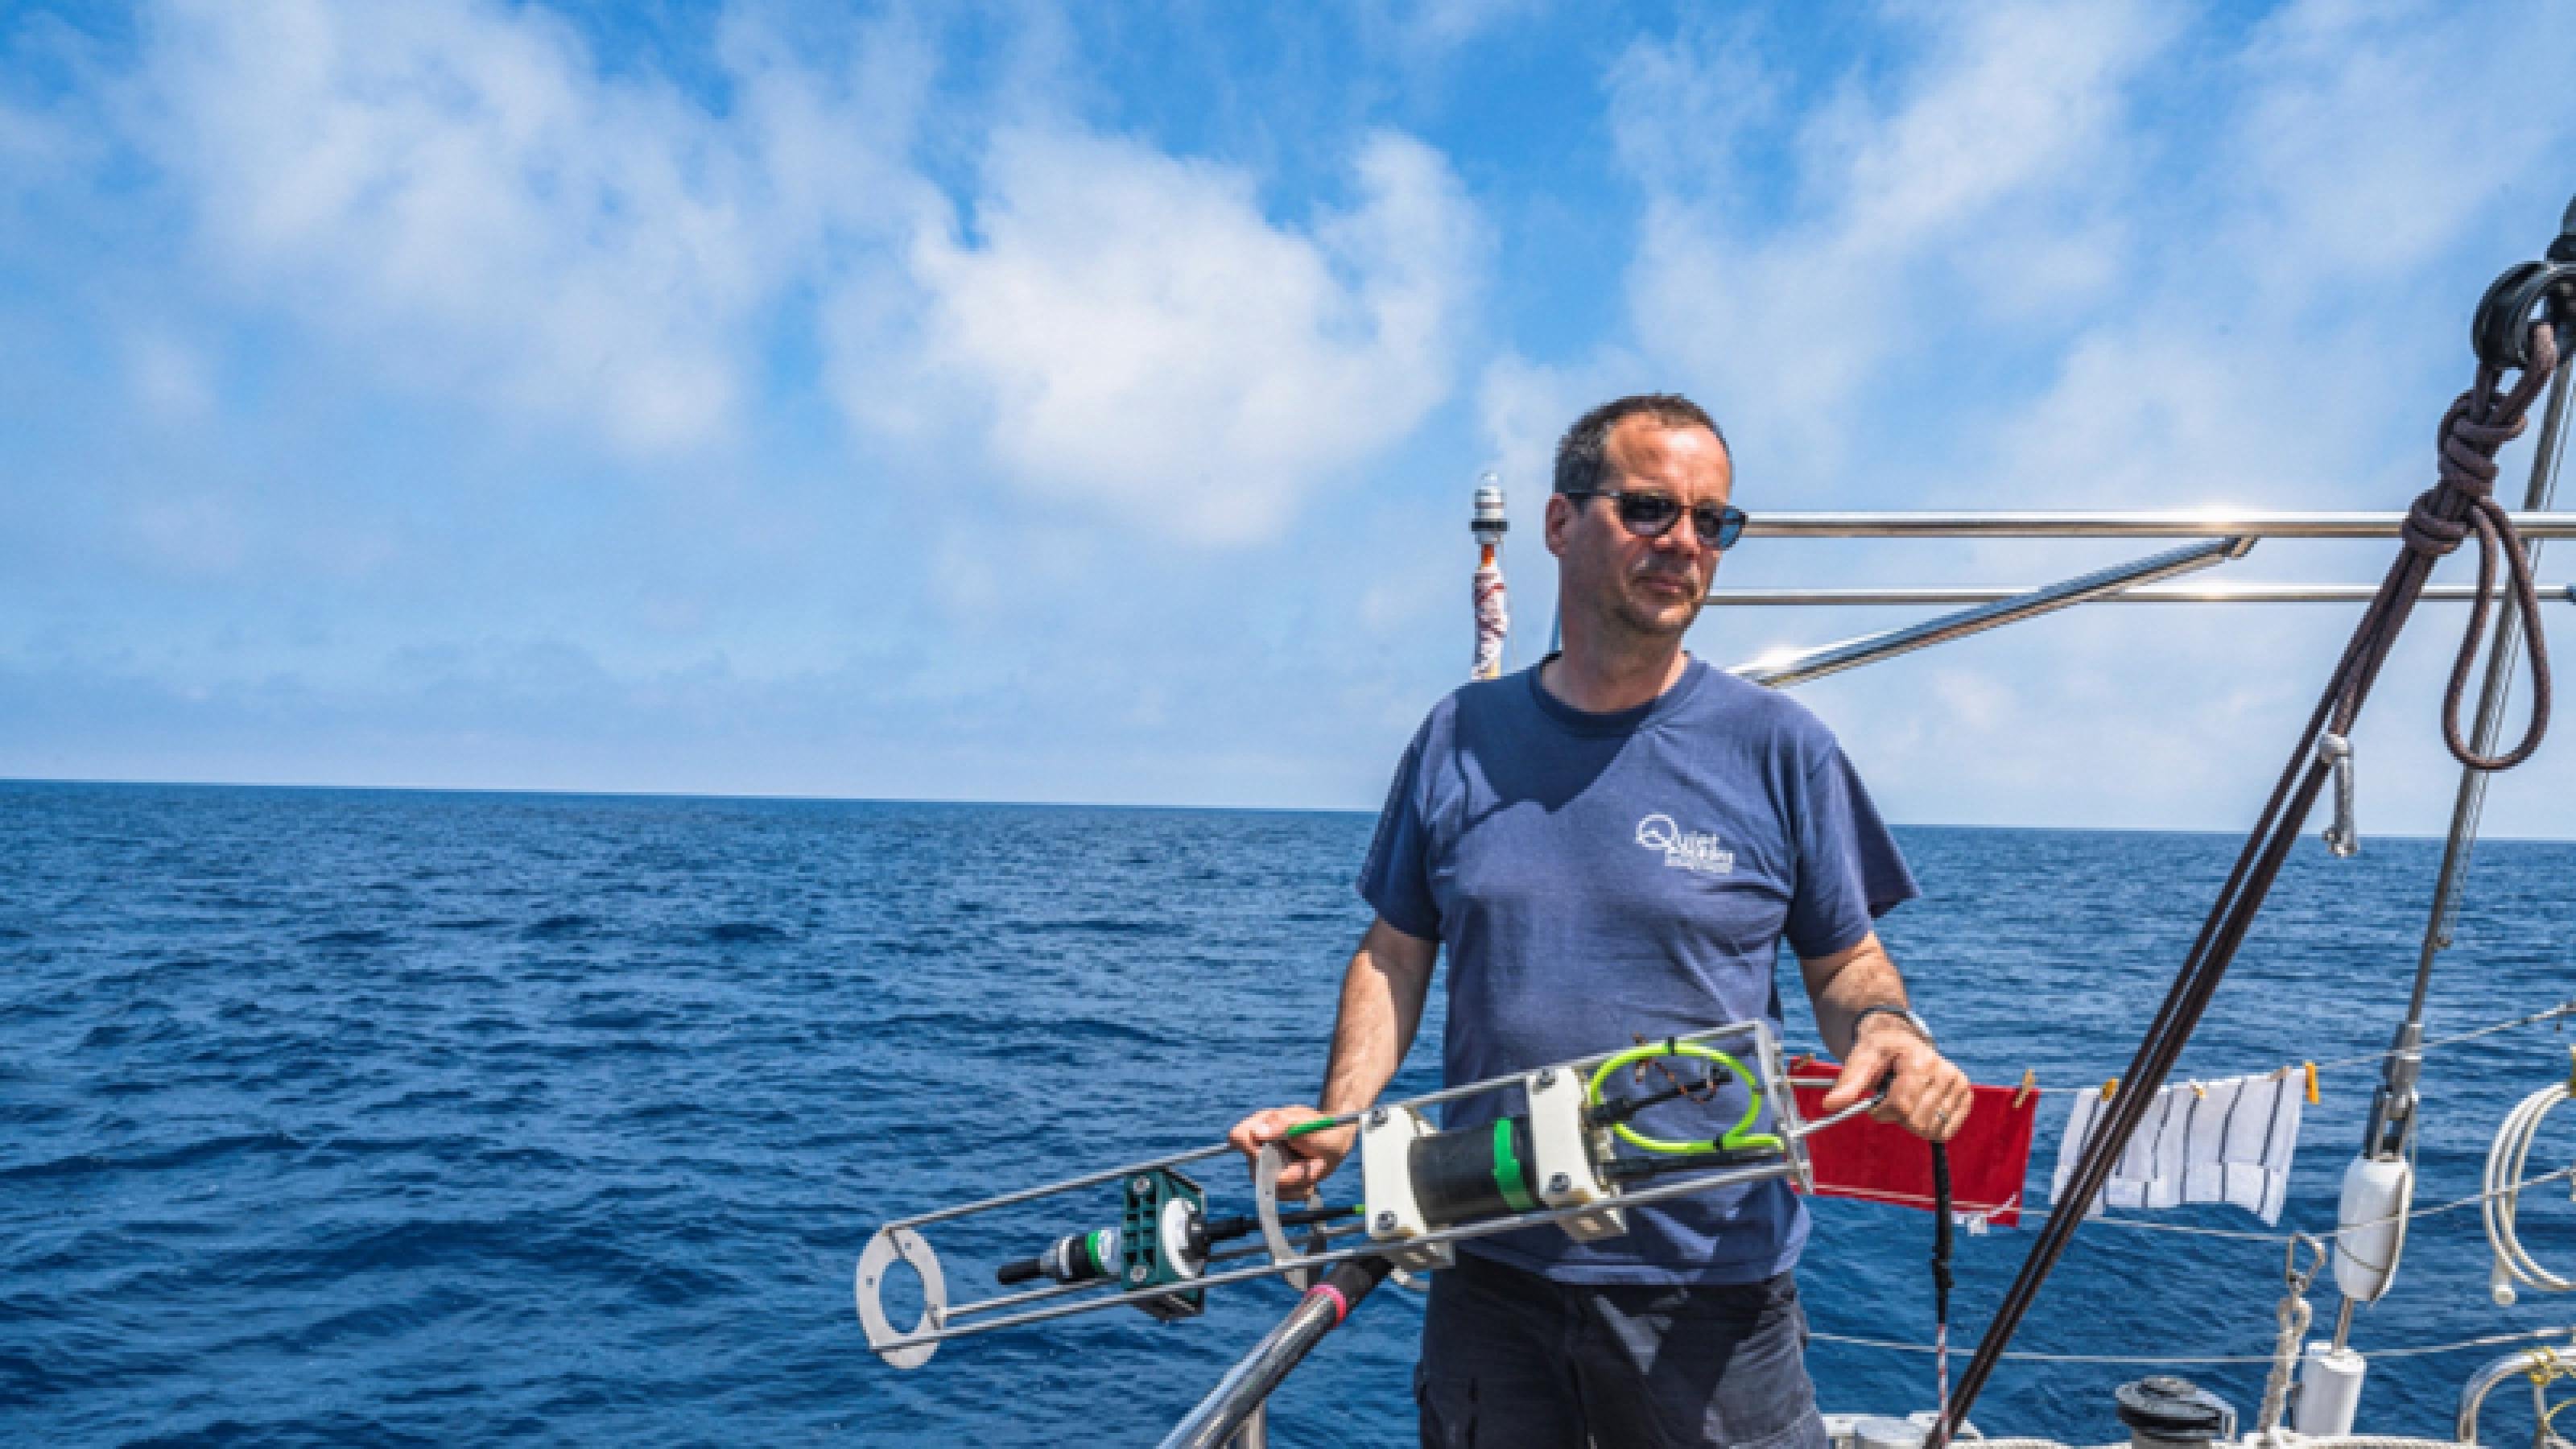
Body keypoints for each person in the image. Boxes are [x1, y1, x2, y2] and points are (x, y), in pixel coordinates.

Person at [1226, 393, 1972, 1449]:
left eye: (1713, 521)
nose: (1685, 542)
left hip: (1708, 1287)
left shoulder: (1781, 747)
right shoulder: (1457, 735)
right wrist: (1341, 1115)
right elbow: (1395, 953)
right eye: (1651, 508)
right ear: (1559, 522)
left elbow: (1846, 960)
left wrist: (1892, 1031)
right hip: (1491, 1261)